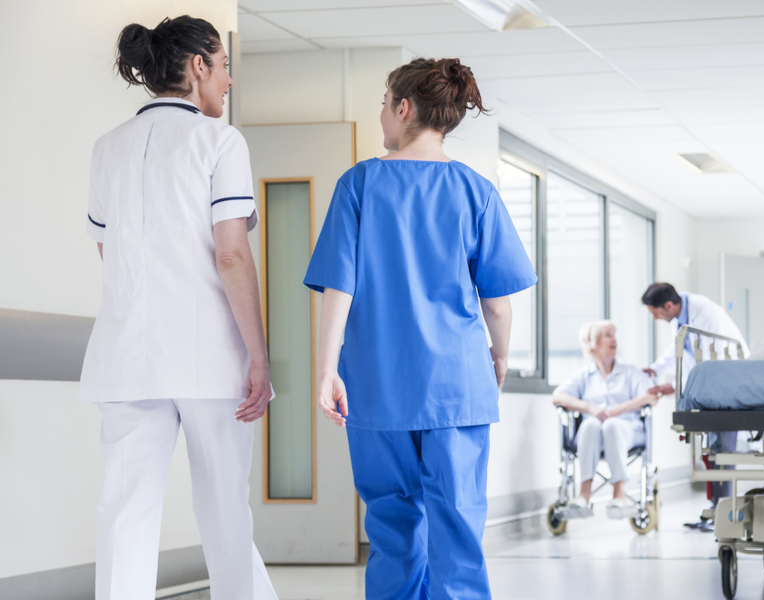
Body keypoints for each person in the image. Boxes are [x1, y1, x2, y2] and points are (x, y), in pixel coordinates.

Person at [304, 58, 536, 600]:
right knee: (456, 528)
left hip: (377, 386)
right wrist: (497, 358)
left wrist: (326, 371)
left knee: (392, 528)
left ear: (403, 108)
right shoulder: (476, 191)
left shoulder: (358, 184)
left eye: (384, 103)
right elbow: (497, 306)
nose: (382, 115)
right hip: (457, 387)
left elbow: (340, 288)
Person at [81, 16, 277, 600]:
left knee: (124, 513)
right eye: (223, 67)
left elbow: (105, 245)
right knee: (223, 510)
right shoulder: (220, 142)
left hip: (125, 355)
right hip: (208, 357)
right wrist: (259, 357)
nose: (229, 81)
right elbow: (233, 255)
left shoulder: (107, 147)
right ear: (198, 67)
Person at [640, 282, 748, 531]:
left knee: (723, 452)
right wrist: (656, 370)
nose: (656, 319)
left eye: (656, 314)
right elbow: (679, 349)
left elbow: (711, 363)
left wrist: (674, 388)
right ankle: (714, 510)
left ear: (668, 305)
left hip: (727, 386)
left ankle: (725, 512)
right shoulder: (681, 316)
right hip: (710, 392)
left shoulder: (706, 314)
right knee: (712, 452)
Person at [552, 321, 661, 518]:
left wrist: (618, 410)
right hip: (591, 437)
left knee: (611, 424)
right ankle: (584, 494)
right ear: (592, 343)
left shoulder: (630, 373)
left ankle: (619, 493)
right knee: (590, 424)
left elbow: (652, 396)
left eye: (614, 335)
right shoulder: (584, 376)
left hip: (627, 430)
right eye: (607, 335)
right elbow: (557, 397)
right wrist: (590, 408)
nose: (614, 339)